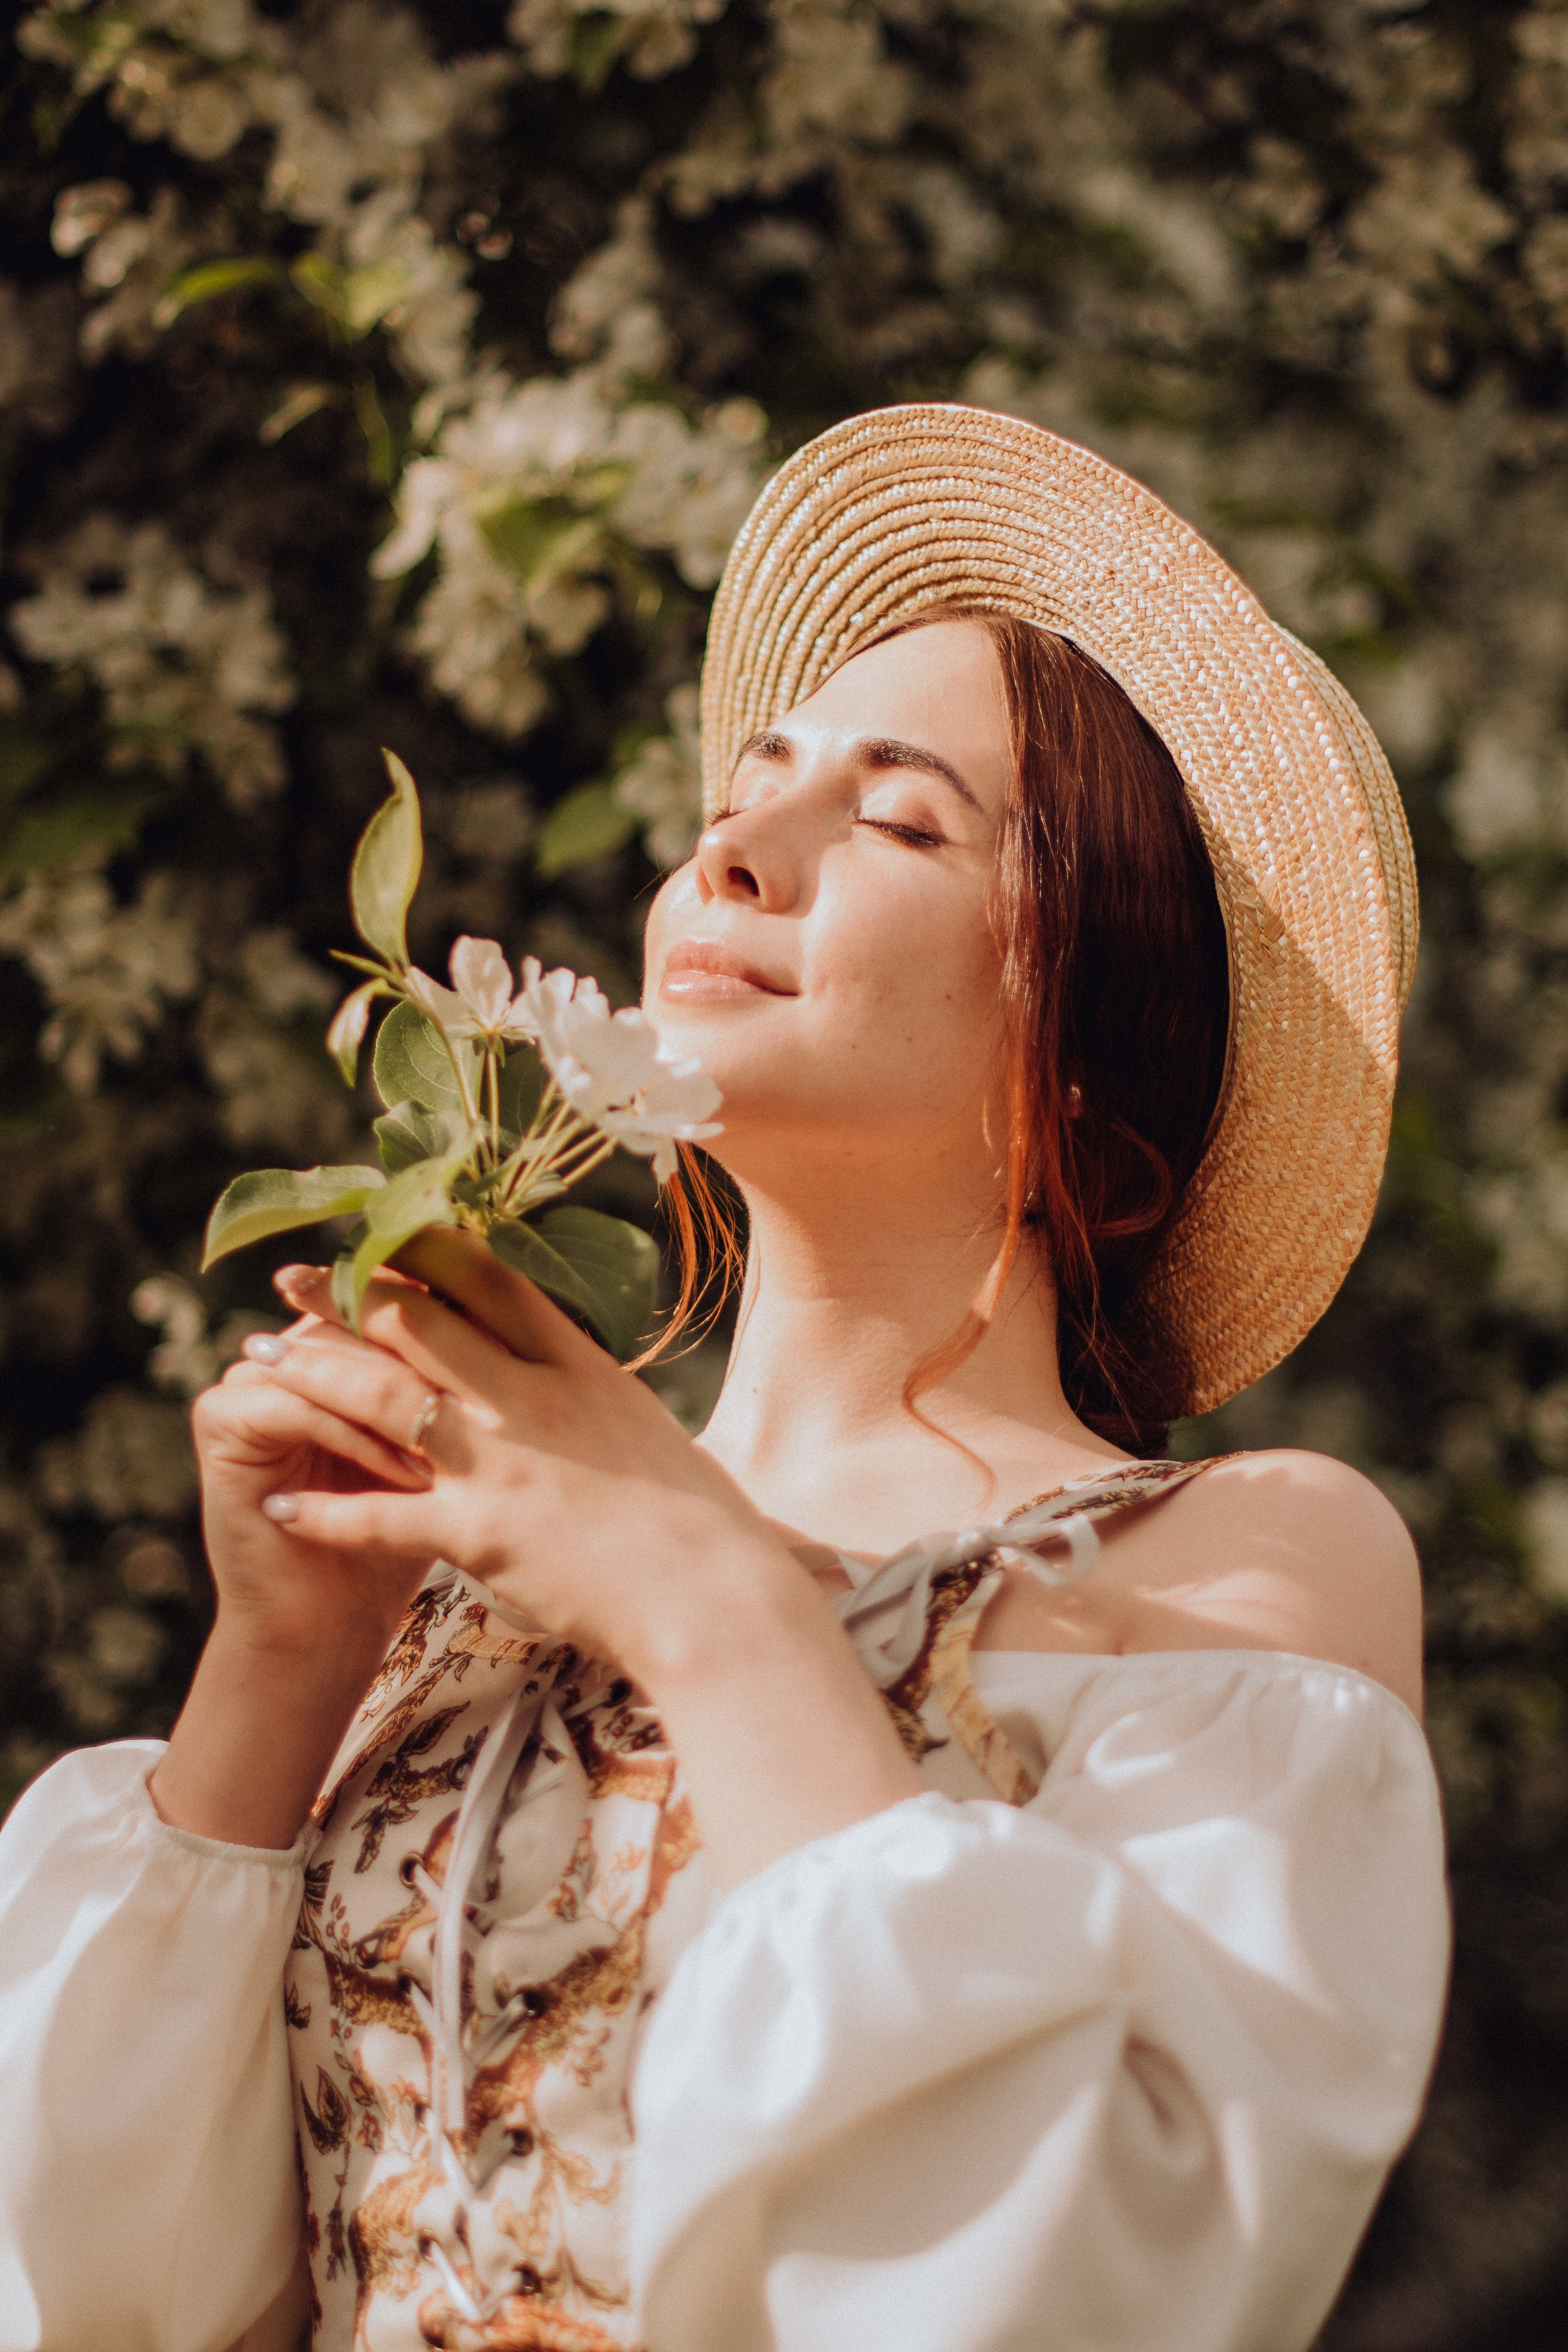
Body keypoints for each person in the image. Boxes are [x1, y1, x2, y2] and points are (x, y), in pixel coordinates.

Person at [0, 405, 1448, 2352]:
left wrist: (704, 1592)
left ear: (1088, 1055)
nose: (735, 851)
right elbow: (110, 2301)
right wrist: (282, 1667)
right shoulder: (472, 1567)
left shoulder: (1234, 1561)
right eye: (747, 793)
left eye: (902, 817)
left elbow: (1103, 2270)